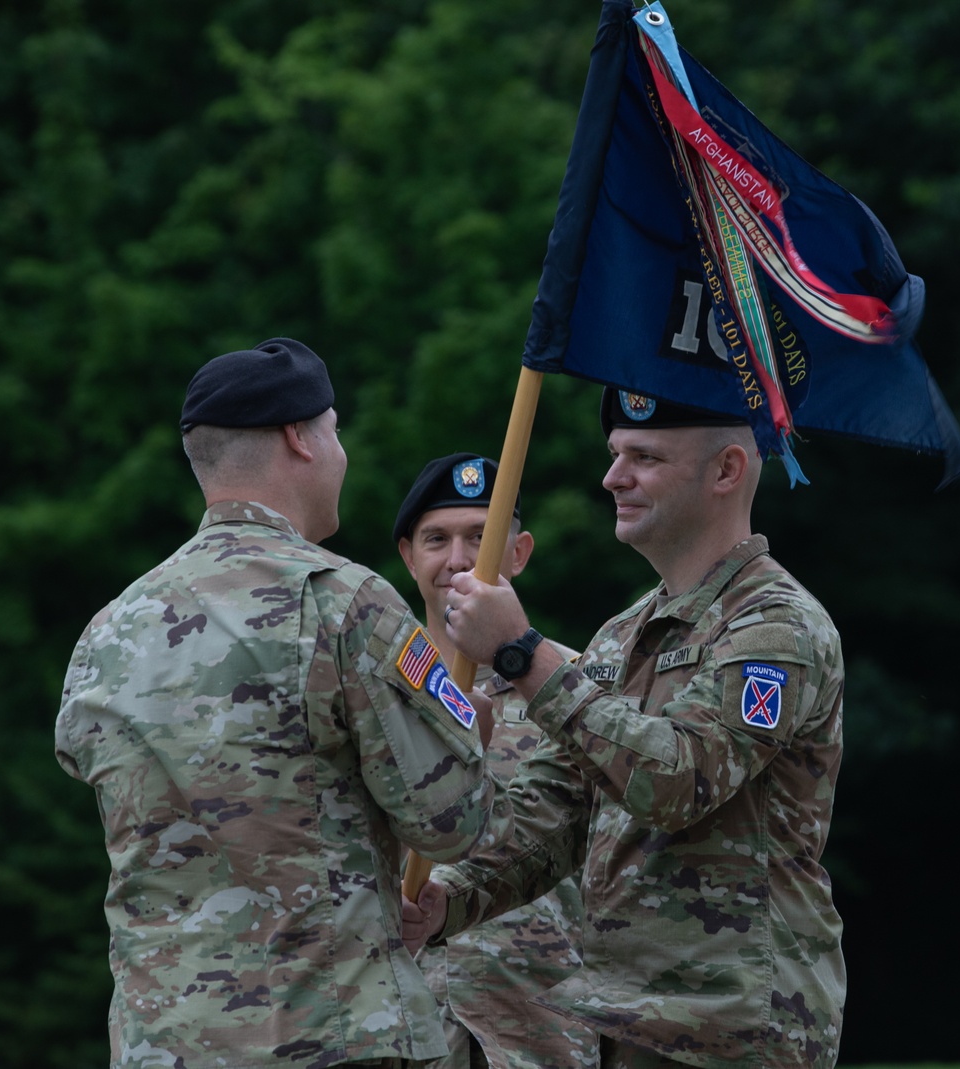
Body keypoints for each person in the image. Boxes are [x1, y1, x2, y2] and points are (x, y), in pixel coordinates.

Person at [55, 338, 510, 1069]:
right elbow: (452, 822)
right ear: (300, 437)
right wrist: (467, 733)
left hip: (162, 1043)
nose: (344, 456)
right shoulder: (341, 602)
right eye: (334, 431)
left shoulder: (107, 630)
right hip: (331, 1035)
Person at [404, 389, 846, 1069]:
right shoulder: (619, 637)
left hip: (734, 1026)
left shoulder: (776, 626)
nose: (613, 476)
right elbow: (551, 822)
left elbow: (677, 779)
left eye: (643, 457)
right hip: (625, 1018)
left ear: (726, 470)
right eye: (615, 455)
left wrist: (522, 653)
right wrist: (448, 903)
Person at [393, 453, 599, 1069]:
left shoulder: (577, 687)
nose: (459, 560)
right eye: (437, 539)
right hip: (405, 1022)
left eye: (481, 538)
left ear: (520, 553)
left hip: (544, 1022)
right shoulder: (370, 689)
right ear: (408, 556)